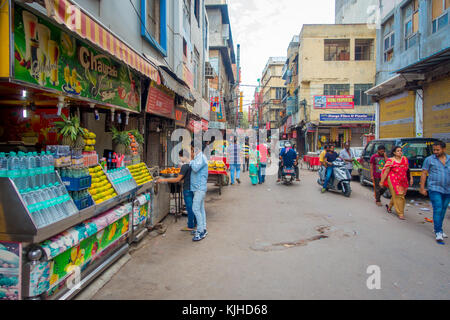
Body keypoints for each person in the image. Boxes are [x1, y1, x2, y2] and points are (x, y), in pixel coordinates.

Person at [157, 149, 196, 232]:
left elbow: (178, 179)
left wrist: (163, 180)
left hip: (187, 189)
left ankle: (190, 226)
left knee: (189, 207)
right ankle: (195, 223)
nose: (180, 159)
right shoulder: (192, 164)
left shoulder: (185, 166)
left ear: (184, 156)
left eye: (180, 157)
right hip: (193, 188)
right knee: (193, 206)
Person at [420, 141, 450, 244]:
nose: (435, 152)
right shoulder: (429, 159)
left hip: (448, 189)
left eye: (438, 150)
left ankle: (438, 227)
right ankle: (438, 232)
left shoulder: (449, 159)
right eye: (434, 150)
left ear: (444, 149)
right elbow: (424, 173)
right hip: (434, 188)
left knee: (443, 209)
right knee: (438, 208)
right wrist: (422, 187)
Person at [379, 146, 413, 220]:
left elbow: (408, 169)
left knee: (398, 195)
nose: (400, 152)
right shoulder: (390, 160)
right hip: (392, 179)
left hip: (402, 179)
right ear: (394, 152)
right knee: (399, 195)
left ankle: (390, 207)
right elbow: (386, 171)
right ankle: (400, 213)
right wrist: (382, 181)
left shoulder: (405, 159)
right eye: (398, 151)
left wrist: (411, 178)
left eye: (400, 151)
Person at [190, 141, 209, 241]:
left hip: (199, 187)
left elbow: (195, 168)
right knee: (201, 209)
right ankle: (203, 228)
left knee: (195, 209)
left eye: (192, 148)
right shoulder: (198, 157)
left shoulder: (200, 158)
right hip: (197, 186)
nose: (191, 150)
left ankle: (200, 231)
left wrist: (189, 160)